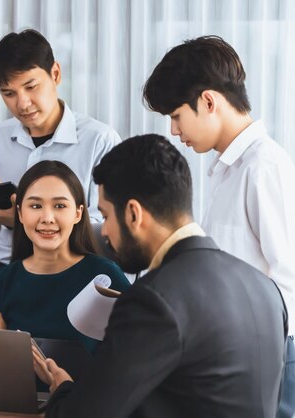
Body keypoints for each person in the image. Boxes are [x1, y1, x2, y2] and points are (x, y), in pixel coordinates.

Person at [37, 135, 287, 418]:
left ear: (133, 214)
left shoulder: (152, 299)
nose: (104, 232)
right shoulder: (265, 288)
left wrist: (64, 390)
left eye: (105, 216)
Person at [143, 35, 295, 417]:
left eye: (176, 116)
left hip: (271, 357)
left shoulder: (264, 168)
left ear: (208, 102)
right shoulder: (227, 171)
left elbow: (289, 280)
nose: (175, 132)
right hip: (238, 352)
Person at [0, 29, 121, 312]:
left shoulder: (99, 140)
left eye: (31, 87)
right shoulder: (0, 137)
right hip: (3, 276)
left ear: (55, 74)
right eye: (9, 93)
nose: (22, 103)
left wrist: (23, 220)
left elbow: (107, 231)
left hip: (73, 279)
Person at [0, 160, 130, 353]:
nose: (47, 218)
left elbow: (134, 353)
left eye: (60, 206)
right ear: (20, 214)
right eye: (36, 206)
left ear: (78, 213)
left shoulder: (105, 276)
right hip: (16, 383)